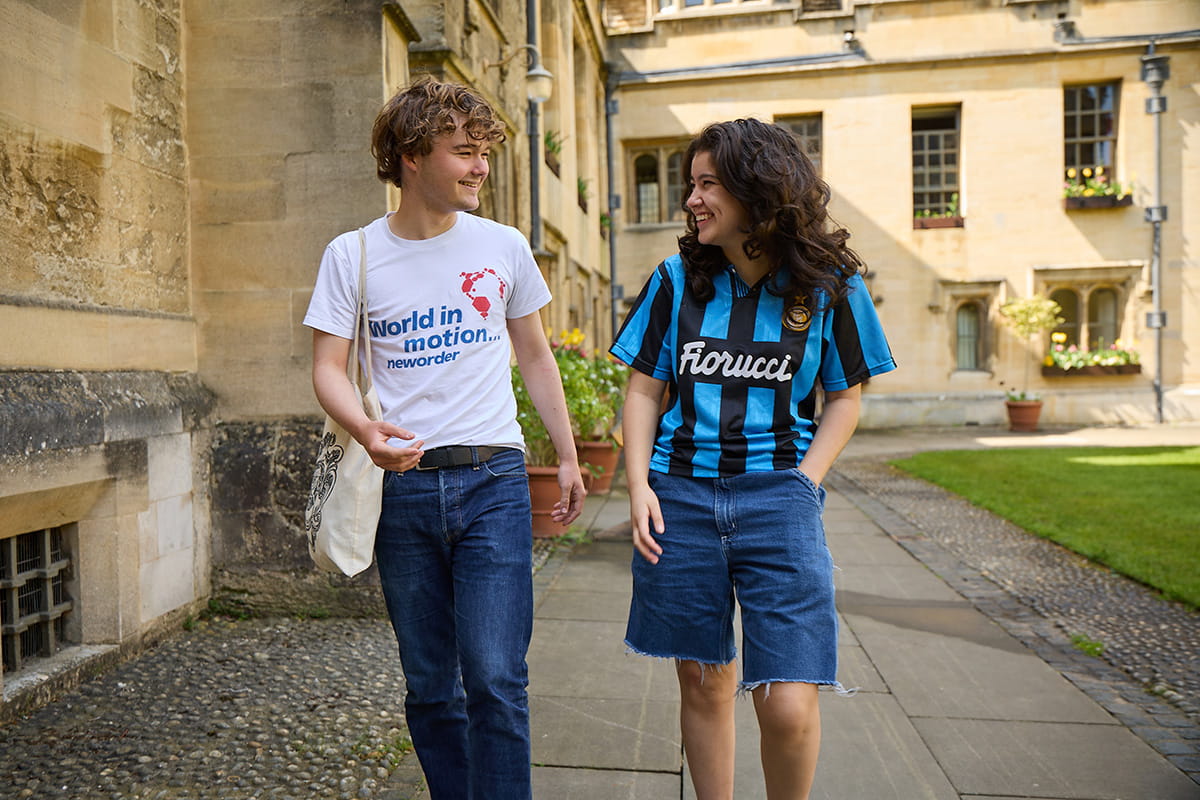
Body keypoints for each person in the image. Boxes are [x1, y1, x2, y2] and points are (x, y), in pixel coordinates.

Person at [303, 76, 586, 800]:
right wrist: (366, 431)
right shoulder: (352, 254)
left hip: (493, 480)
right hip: (404, 486)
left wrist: (567, 452)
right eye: (463, 152)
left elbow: (535, 354)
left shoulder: (503, 245)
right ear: (408, 155)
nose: (480, 167)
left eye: (483, 151)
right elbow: (327, 368)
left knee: (495, 676)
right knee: (431, 684)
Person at [610, 118, 896, 799]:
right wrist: (639, 487)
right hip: (680, 497)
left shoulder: (832, 286)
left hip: (780, 502)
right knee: (704, 683)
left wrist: (805, 483)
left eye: (708, 184)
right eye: (691, 185)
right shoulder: (676, 281)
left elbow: (845, 400)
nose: (692, 201)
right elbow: (644, 390)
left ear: (755, 189)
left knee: (789, 704)